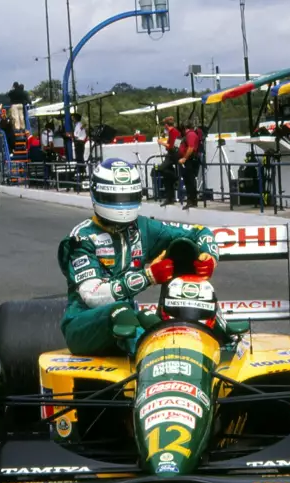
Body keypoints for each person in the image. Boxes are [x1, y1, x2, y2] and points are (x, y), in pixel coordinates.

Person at [57, 158, 219, 357]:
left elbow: (199, 232)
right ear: (97, 194)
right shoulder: (81, 239)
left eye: (128, 197)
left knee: (157, 323)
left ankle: (197, 351)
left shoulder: (143, 228)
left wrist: (210, 256)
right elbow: (92, 296)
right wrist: (148, 276)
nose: (122, 205)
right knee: (121, 312)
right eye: (115, 198)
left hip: (128, 316)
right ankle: (155, 359)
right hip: (82, 324)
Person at [157, 116, 181, 207]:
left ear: (166, 125)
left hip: (172, 155)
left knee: (161, 168)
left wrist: (161, 142)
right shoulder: (174, 132)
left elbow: (171, 146)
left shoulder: (173, 132)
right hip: (171, 154)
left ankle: (175, 177)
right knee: (166, 176)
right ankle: (170, 197)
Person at [177, 121, 201, 209]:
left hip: (190, 161)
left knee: (190, 181)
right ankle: (191, 200)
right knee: (187, 181)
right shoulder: (186, 135)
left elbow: (190, 148)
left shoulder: (190, 135)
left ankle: (192, 200)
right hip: (187, 161)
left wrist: (184, 158)